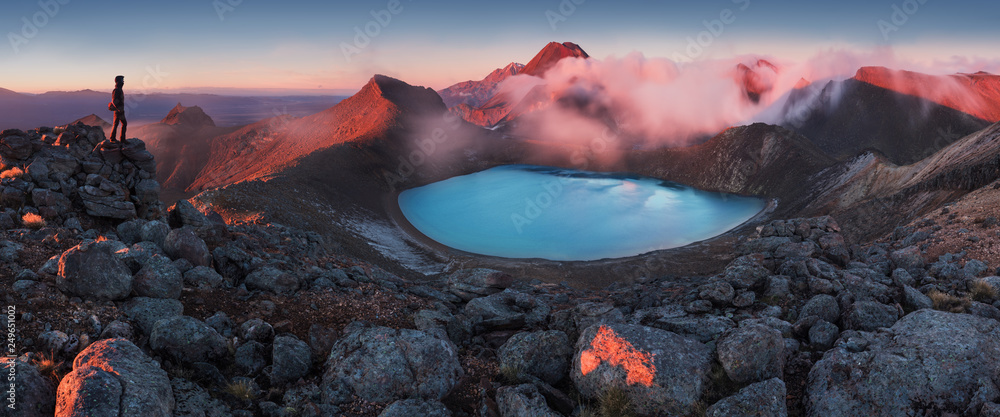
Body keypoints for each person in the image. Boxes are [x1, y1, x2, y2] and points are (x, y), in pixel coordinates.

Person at [109, 75, 127, 143]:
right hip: (118, 111)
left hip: (119, 110)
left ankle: (115, 139)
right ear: (119, 81)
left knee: (117, 124)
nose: (123, 82)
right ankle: (114, 139)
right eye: (122, 80)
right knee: (121, 124)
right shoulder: (116, 90)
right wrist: (119, 109)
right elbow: (114, 101)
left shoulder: (118, 89)